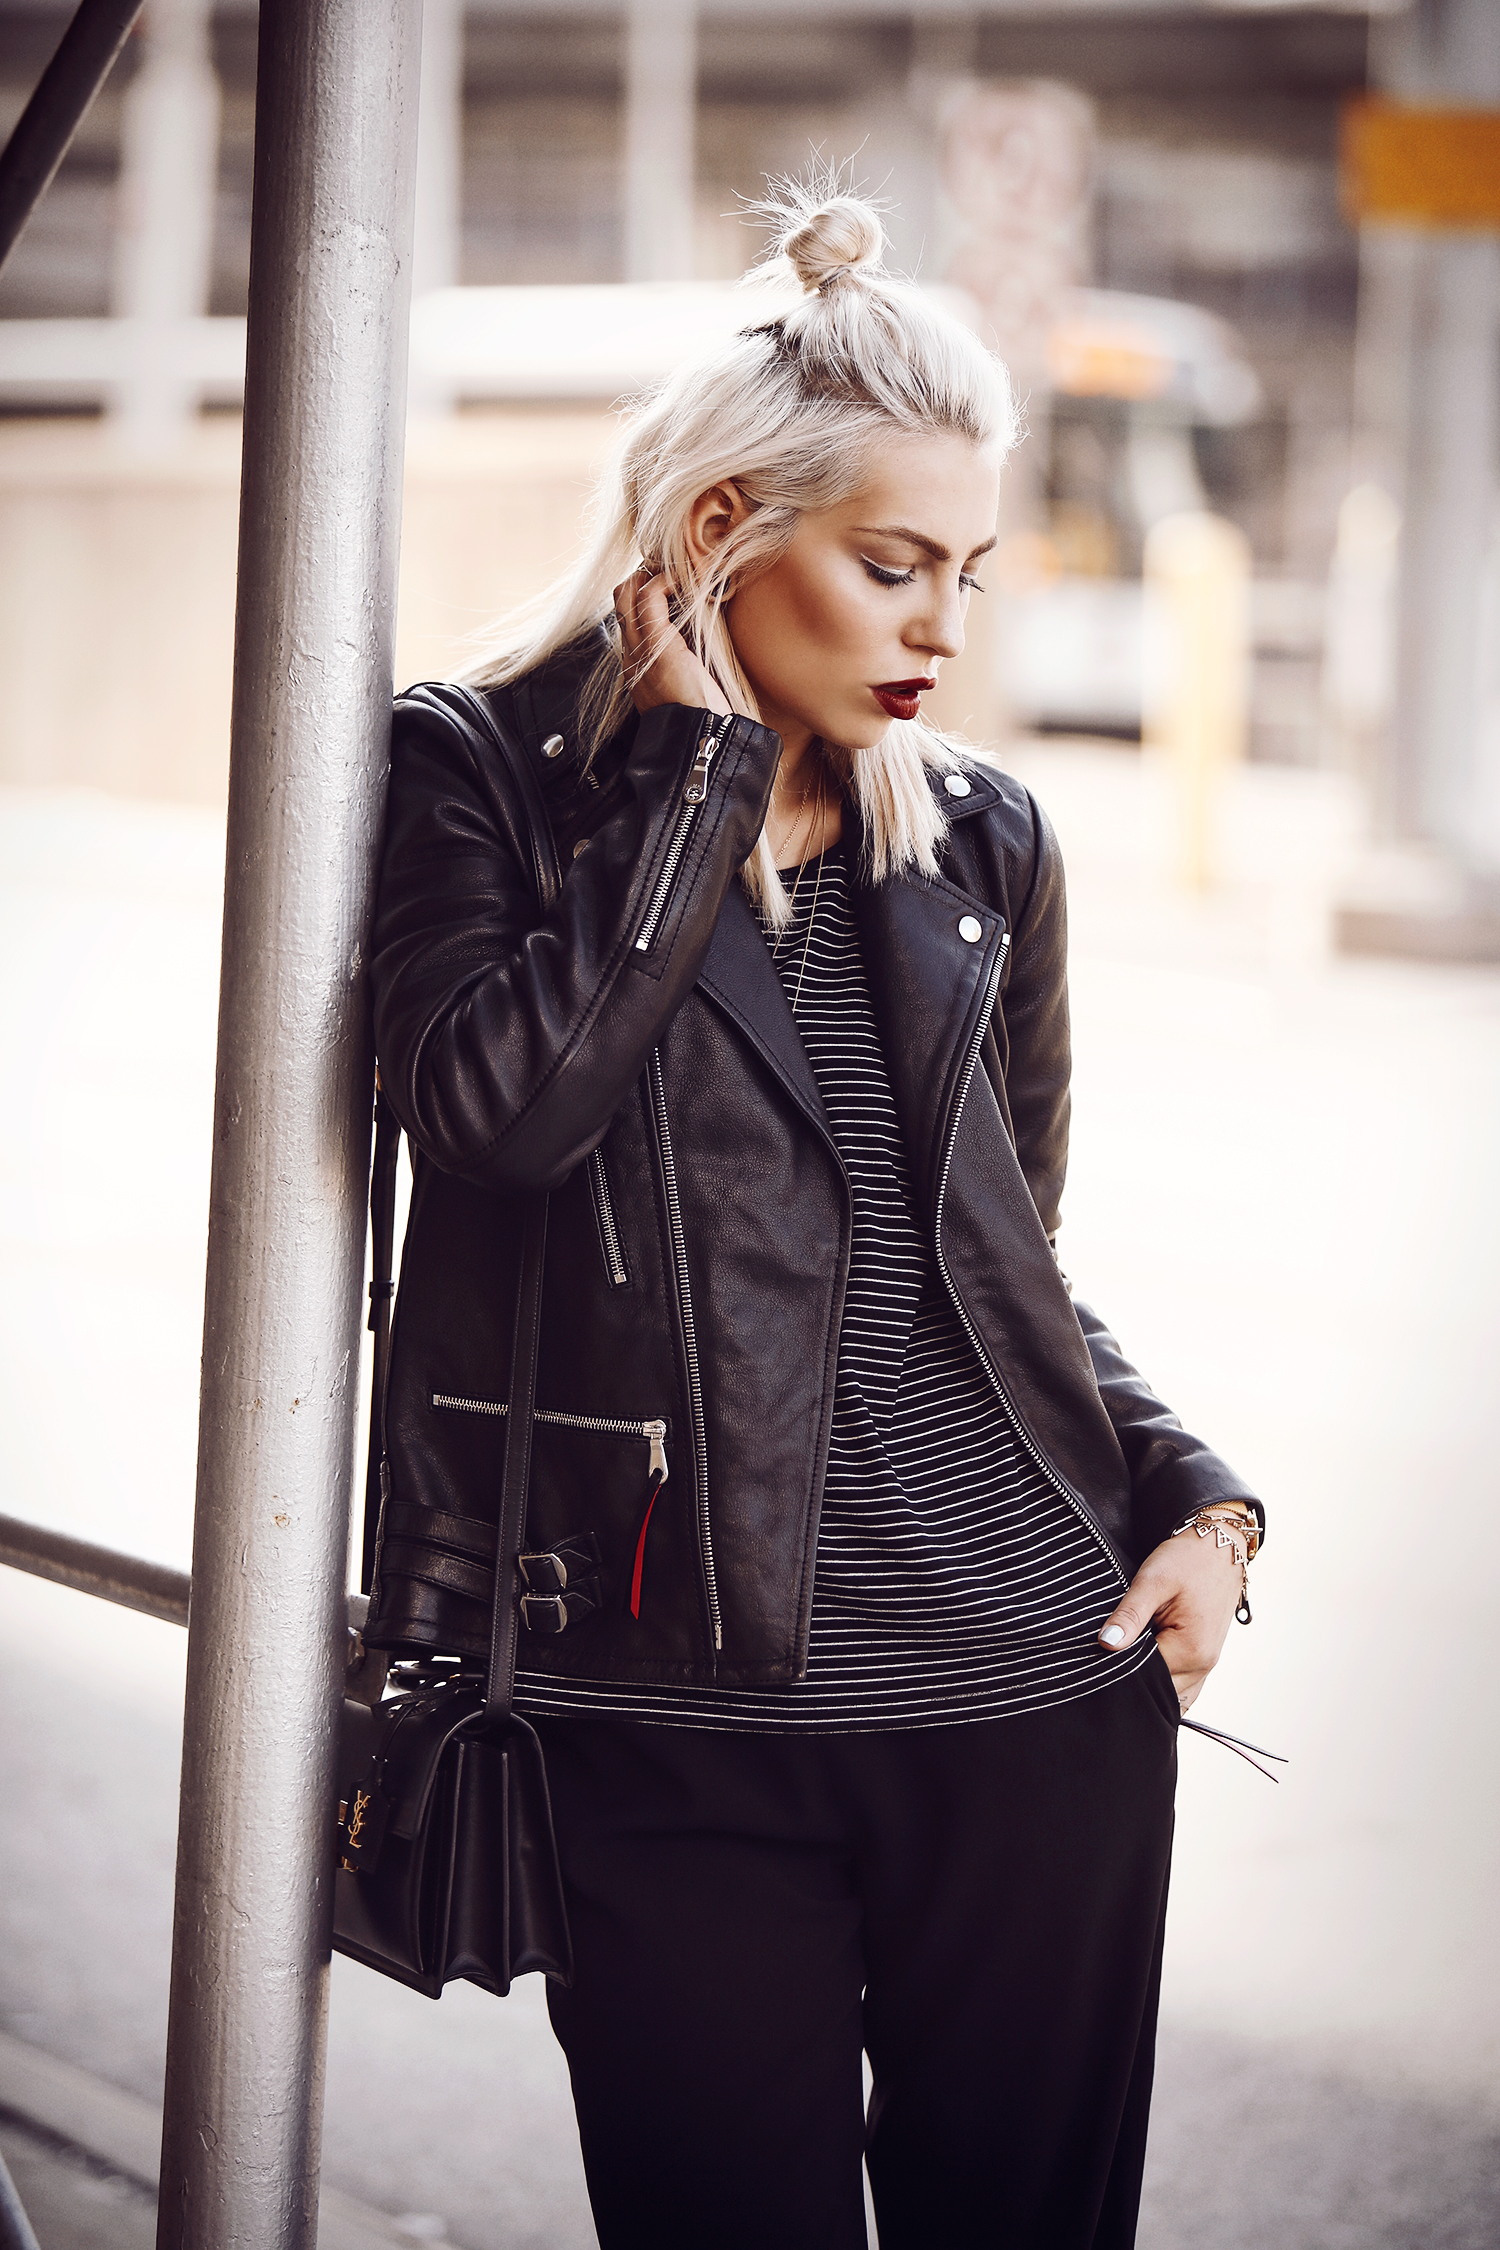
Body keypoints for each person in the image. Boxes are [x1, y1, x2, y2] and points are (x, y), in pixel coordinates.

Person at [363, 179, 1264, 2250]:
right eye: (891, 564)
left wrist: (1199, 1499)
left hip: (1037, 1700)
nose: (947, 626)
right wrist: (693, 783)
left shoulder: (982, 839)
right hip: (665, 1729)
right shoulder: (478, 777)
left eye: (969, 570)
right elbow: (496, 1115)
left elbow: (985, 1269)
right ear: (717, 534)